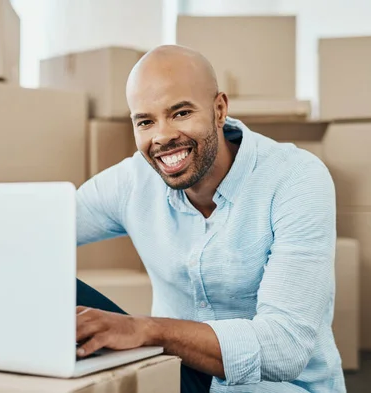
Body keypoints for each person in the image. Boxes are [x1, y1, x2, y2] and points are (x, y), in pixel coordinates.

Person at [74, 45, 345, 392]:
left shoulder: (295, 179)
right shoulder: (132, 181)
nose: (162, 136)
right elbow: (41, 229)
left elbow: (284, 348)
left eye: (181, 113)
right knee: (64, 292)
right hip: (177, 377)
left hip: (282, 387)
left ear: (219, 109)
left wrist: (147, 330)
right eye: (145, 121)